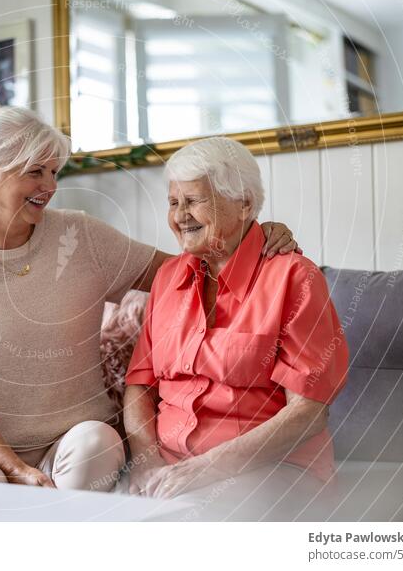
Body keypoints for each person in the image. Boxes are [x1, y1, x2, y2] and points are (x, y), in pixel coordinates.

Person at [0, 87, 298, 492]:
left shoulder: (80, 235)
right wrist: (16, 469)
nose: (50, 186)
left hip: (74, 438)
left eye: (54, 172)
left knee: (95, 445)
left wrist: (254, 236)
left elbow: (188, 272)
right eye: (34, 172)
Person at [123, 137, 348, 517]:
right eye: (173, 203)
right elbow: (138, 386)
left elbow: (308, 413)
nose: (180, 216)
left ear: (244, 203)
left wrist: (205, 470)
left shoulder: (294, 278)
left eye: (193, 201)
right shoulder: (168, 277)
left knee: (197, 522)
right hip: (169, 467)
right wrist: (146, 462)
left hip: (270, 468)